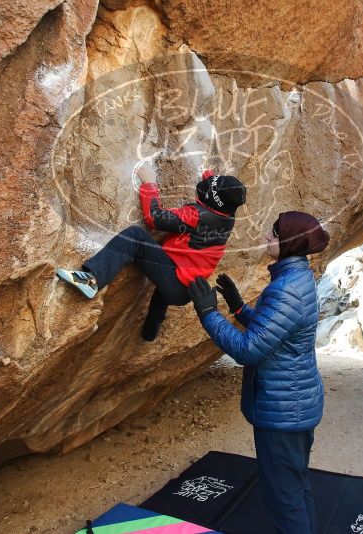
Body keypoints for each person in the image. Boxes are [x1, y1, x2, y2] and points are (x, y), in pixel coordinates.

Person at [187, 211, 329, 534]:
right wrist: (239, 309)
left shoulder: (286, 290)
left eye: (275, 234)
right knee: (296, 487)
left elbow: (249, 349)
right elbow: (273, 332)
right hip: (295, 405)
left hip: (283, 413)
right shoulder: (297, 279)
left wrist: (209, 314)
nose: (267, 237)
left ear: (290, 243)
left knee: (284, 500)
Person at [56, 166, 246, 341]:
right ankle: (150, 330)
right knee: (165, 288)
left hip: (175, 281)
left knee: (135, 237)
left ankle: (91, 280)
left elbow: (154, 218)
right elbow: (220, 195)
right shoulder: (227, 217)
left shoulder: (196, 216)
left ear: (212, 202)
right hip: (189, 290)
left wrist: (149, 183)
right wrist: (211, 177)